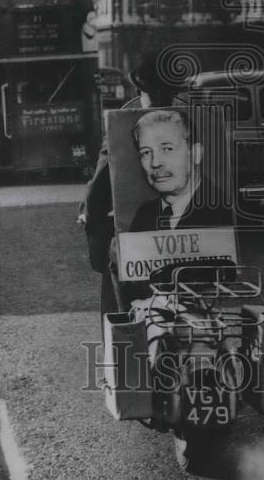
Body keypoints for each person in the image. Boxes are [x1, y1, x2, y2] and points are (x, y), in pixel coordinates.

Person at [82, 50, 187, 315]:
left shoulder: (125, 121)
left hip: (139, 248)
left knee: (114, 270)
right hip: (198, 247)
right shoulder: (193, 118)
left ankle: (123, 338)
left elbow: (98, 191)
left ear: (141, 88)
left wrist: (91, 220)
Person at [129, 108, 232, 231]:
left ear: (195, 154)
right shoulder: (144, 214)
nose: (155, 163)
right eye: (146, 152)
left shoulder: (225, 211)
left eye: (167, 149)